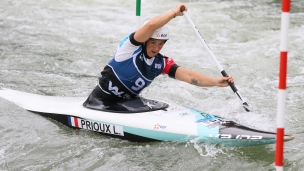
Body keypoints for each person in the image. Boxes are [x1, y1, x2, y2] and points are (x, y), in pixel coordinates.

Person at [83, 4, 234, 110]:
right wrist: (175, 13)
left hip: (128, 104)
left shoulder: (160, 63)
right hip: (99, 102)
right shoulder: (128, 49)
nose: (156, 48)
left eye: (161, 44)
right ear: (145, 40)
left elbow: (188, 75)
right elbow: (151, 26)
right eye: (153, 42)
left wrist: (216, 82)